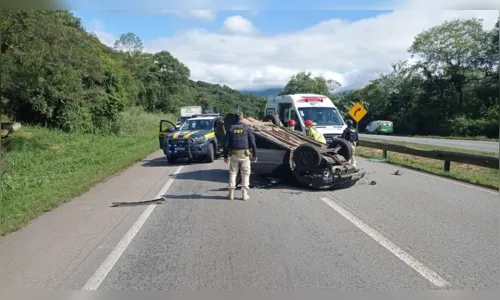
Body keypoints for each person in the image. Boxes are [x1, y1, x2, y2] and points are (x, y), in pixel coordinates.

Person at [223, 112, 258, 201]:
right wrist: (254, 155)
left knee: (233, 173)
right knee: (245, 174)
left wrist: (225, 156)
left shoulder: (230, 129)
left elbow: (226, 144)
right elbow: (253, 143)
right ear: (242, 118)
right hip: (245, 155)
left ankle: (231, 194)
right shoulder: (247, 129)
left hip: (234, 155)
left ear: (234, 119)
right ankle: (244, 195)